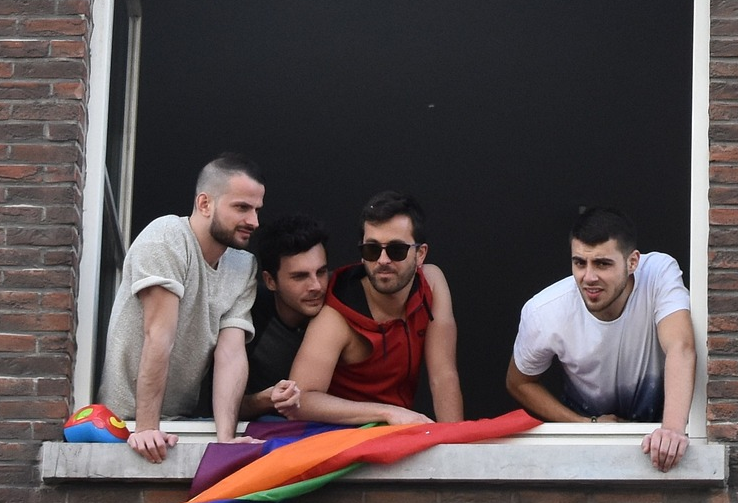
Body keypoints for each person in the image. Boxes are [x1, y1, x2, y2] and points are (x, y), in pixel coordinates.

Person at [97, 153, 264, 464]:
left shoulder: (244, 265)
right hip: (121, 425)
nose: (253, 221)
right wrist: (147, 427)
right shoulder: (166, 238)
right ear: (205, 204)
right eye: (242, 207)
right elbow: (159, 335)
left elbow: (230, 354)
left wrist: (226, 438)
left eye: (256, 209)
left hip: (179, 425)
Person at [505, 206, 697, 471]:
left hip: (660, 442)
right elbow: (519, 382)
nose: (589, 277)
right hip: (584, 452)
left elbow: (681, 346)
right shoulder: (544, 311)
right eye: (579, 263)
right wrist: (586, 425)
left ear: (633, 262)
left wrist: (673, 430)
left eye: (603, 264)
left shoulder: (658, 272)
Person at [288, 192, 463, 425]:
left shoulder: (431, 282)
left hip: (398, 434)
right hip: (341, 440)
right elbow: (301, 399)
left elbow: (443, 376)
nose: (382, 260)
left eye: (396, 250)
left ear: (420, 254)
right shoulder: (336, 313)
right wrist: (388, 413)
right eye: (371, 249)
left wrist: (455, 447)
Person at [235, 213, 330, 419]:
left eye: (321, 272)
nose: (316, 286)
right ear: (270, 281)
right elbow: (223, 405)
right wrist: (265, 400)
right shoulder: (246, 314)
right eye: (300, 276)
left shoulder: (339, 307)